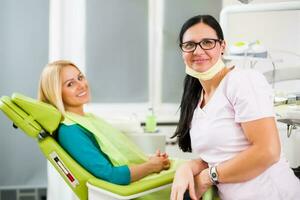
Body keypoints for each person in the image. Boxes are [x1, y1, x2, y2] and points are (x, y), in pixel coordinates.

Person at [170, 15, 300, 200]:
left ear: (222, 46)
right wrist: (188, 167)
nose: (198, 51)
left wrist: (209, 176)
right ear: (182, 51)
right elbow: (221, 154)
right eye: (190, 45)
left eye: (207, 42)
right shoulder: (197, 98)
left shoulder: (241, 81)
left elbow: (268, 151)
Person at [37, 60, 170, 185]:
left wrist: (151, 161)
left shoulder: (88, 118)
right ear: (56, 93)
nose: (81, 85)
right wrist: (152, 166)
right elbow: (111, 175)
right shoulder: (70, 131)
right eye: (70, 84)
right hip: (136, 189)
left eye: (80, 77)